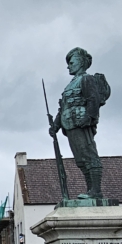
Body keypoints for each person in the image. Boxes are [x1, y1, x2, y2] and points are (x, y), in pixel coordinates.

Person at [49, 47, 111, 199]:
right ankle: (90, 190)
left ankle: (96, 191)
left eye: (72, 62)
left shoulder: (86, 79)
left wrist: (88, 118)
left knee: (89, 156)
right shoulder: (70, 85)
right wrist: (56, 125)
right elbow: (63, 106)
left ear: (81, 62)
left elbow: (93, 100)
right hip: (70, 125)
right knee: (80, 160)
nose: (68, 66)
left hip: (81, 123)